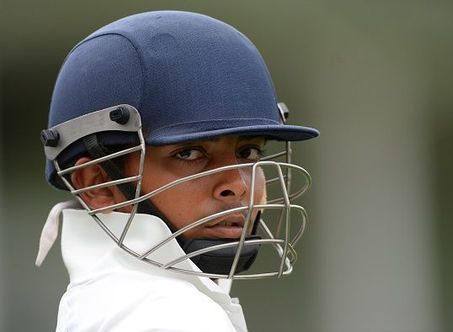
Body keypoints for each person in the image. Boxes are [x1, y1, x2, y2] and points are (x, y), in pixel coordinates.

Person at [35, 11, 319, 332]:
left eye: (248, 152)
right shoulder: (167, 315)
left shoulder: (116, 304)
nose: (237, 185)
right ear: (98, 184)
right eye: (189, 153)